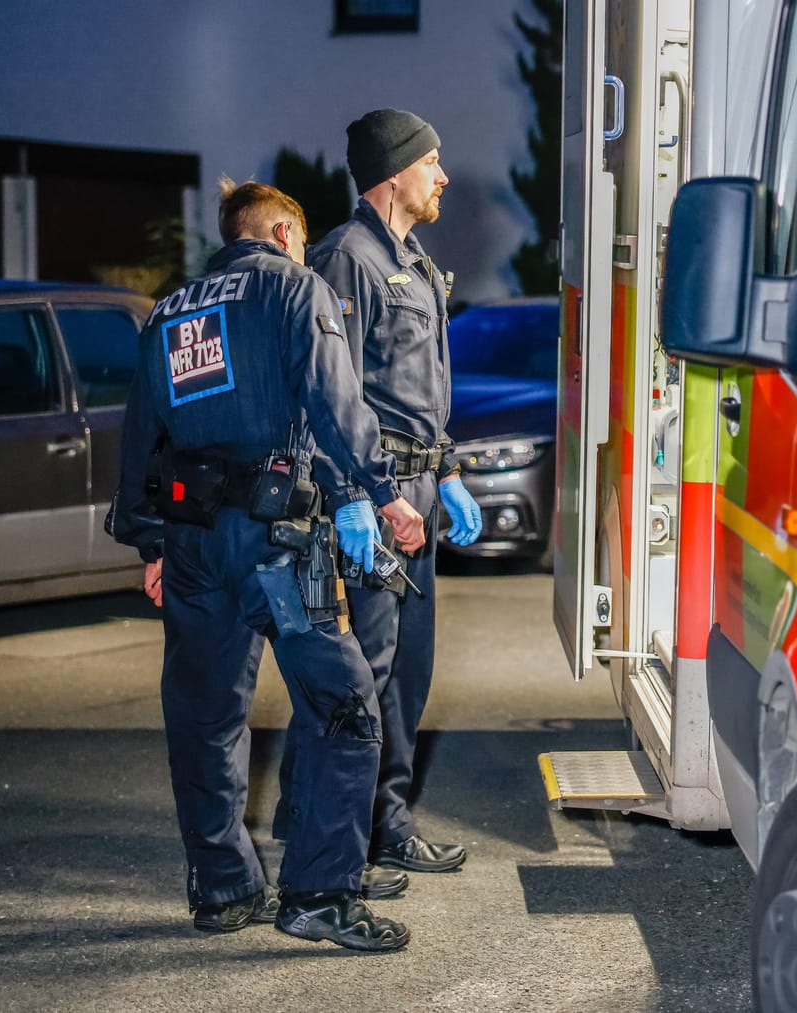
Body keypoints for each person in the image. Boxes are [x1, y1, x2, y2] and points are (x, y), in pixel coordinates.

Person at [113, 179, 428, 951]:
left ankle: (223, 888)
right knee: (346, 702)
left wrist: (149, 541)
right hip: (279, 546)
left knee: (205, 714)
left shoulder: (171, 310)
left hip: (191, 545)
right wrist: (382, 494)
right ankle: (320, 895)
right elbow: (335, 401)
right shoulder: (296, 289)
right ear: (286, 234)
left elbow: (140, 434)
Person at [274, 109, 482, 876]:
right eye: (433, 163)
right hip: (376, 492)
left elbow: (420, 390)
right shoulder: (346, 259)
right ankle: (342, 830)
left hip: (419, 488)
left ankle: (372, 818)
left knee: (407, 670)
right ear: (395, 173)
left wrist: (450, 472)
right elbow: (330, 395)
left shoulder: (414, 262)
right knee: (363, 672)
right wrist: (351, 494)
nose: (444, 177)